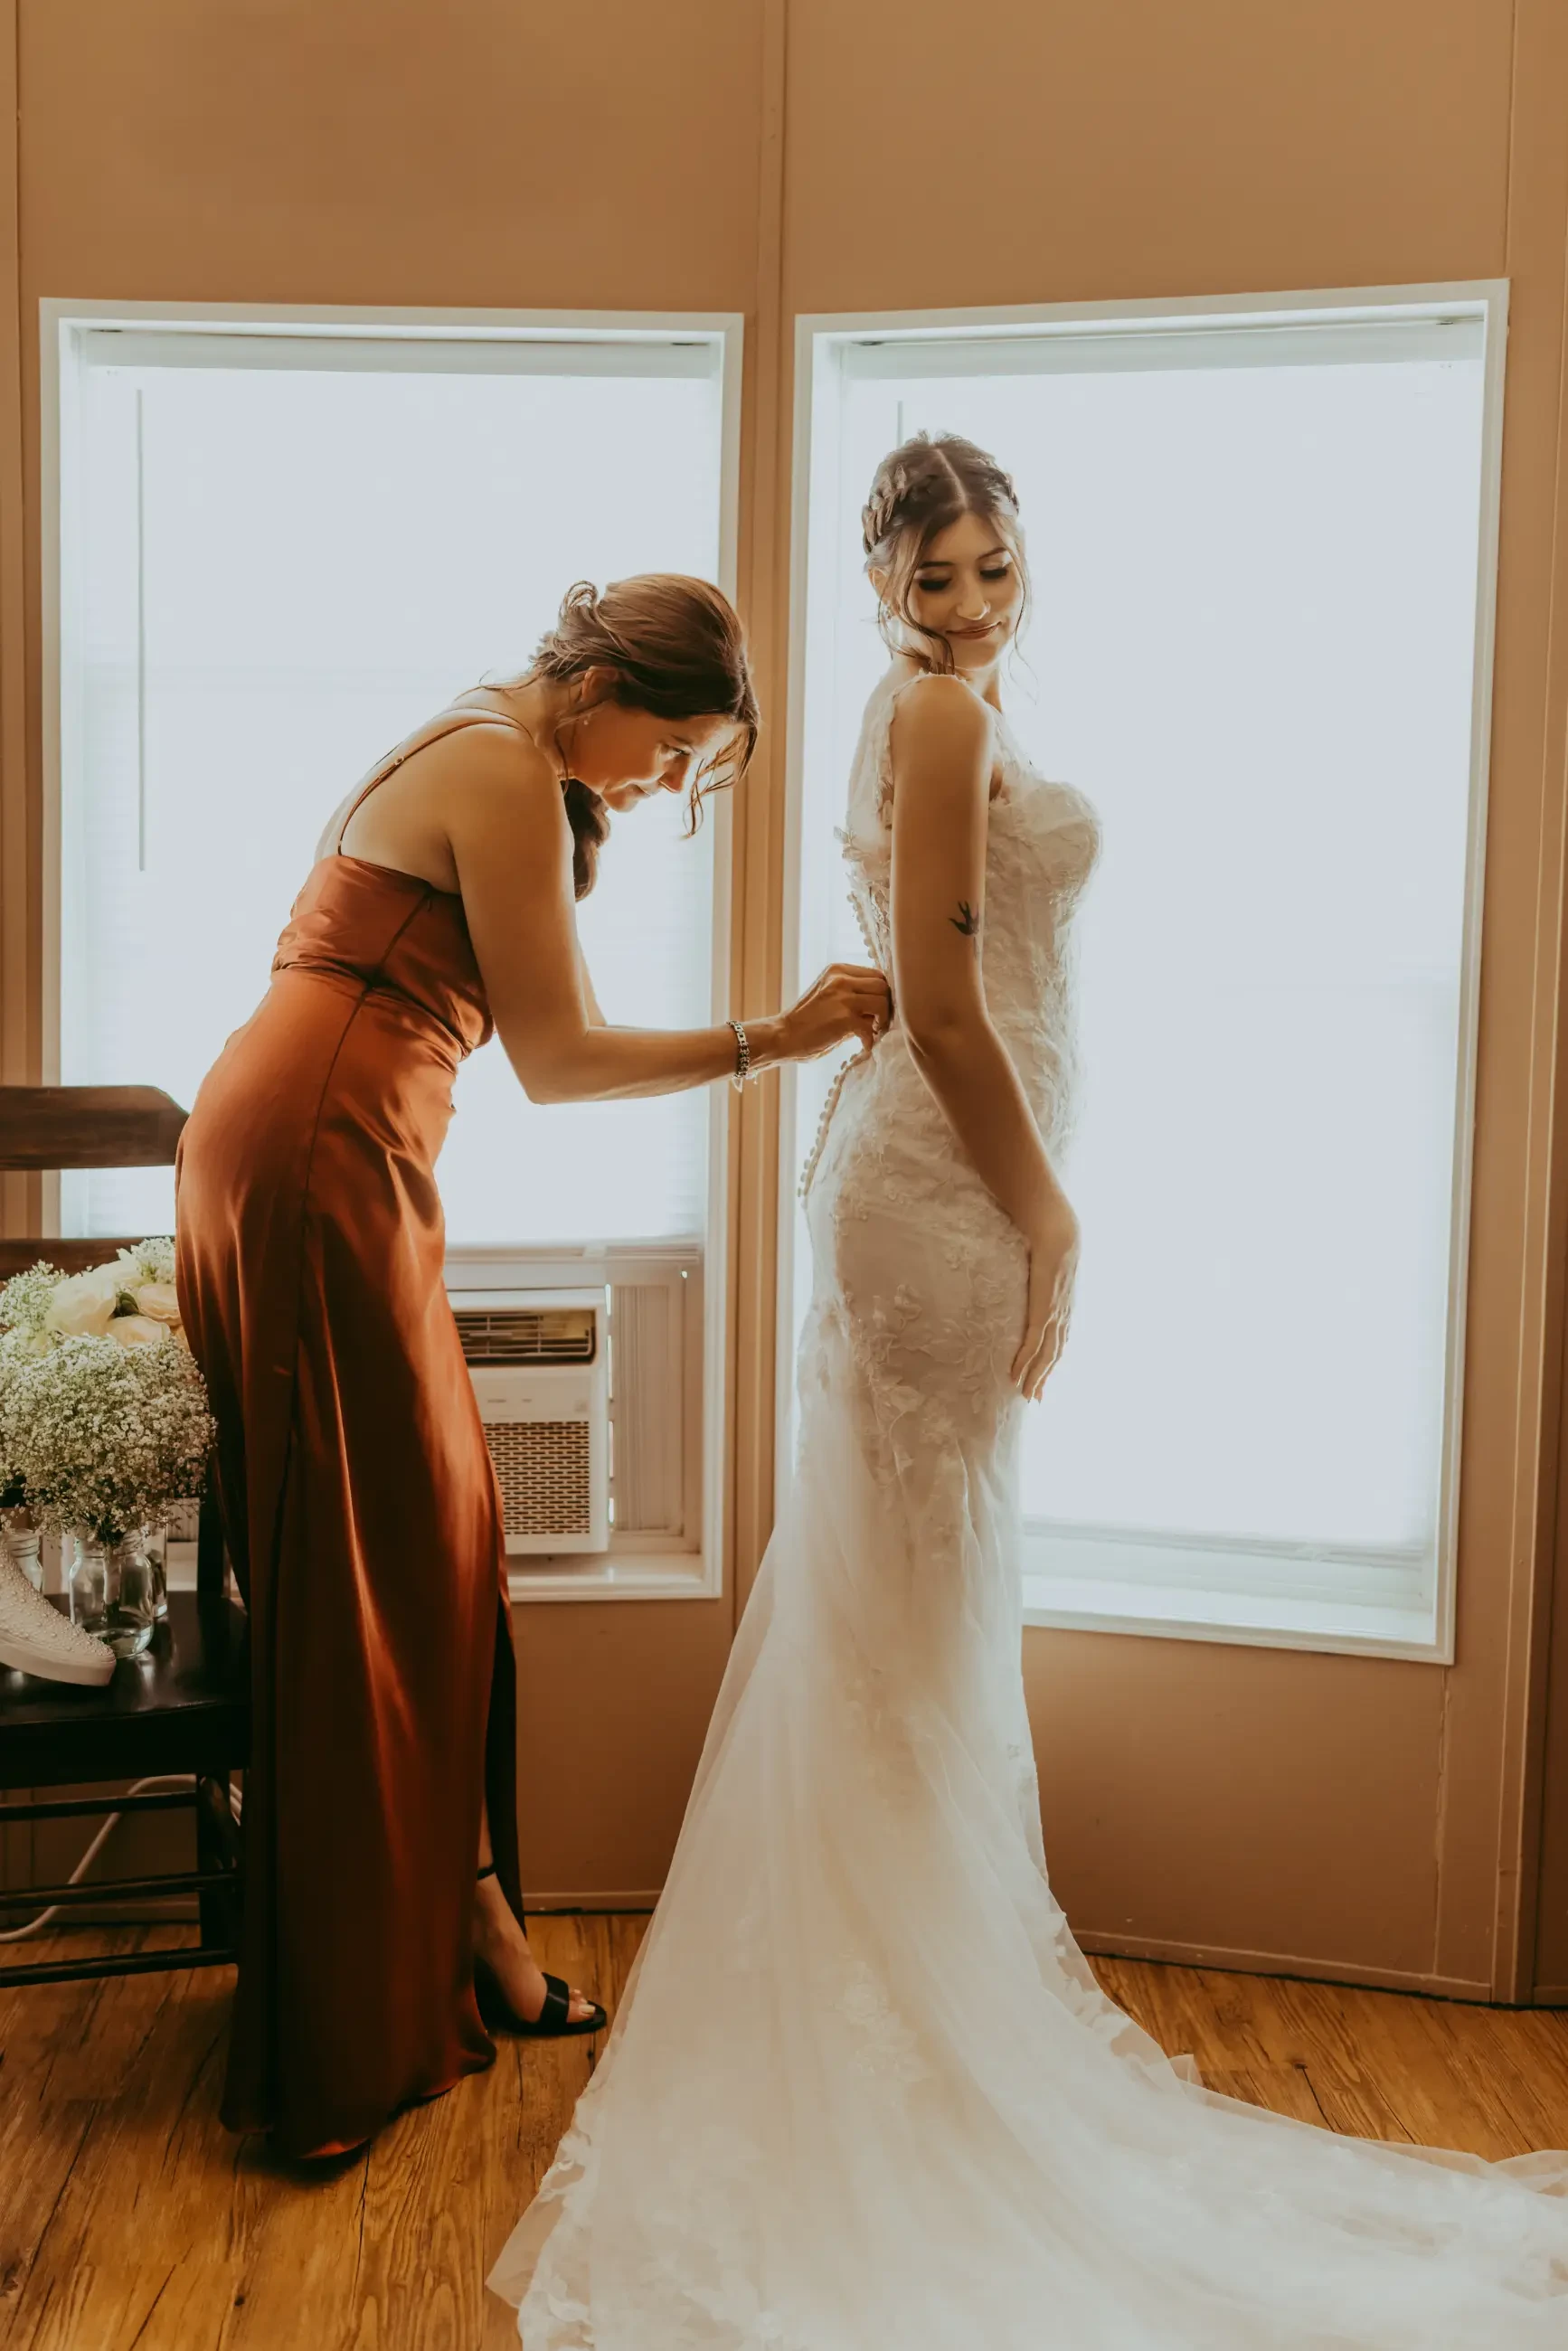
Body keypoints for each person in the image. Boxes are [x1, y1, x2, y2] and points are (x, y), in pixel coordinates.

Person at [488, 444, 1568, 2343]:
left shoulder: (957, 704)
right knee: (908, 1615)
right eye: (932, 577)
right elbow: (944, 996)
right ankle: (900, 2040)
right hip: (942, 1187)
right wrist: (1047, 1208)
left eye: (991, 568)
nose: (968, 602)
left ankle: (920, 1997)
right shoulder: (924, 714)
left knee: (917, 1616)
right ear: (881, 582)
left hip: (932, 1177)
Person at [174, 574, 890, 2162]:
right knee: (363, 1574)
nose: (660, 786)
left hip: (326, 1146)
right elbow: (559, 1062)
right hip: (316, 1155)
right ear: (606, 683)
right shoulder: (499, 763)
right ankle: (343, 2032)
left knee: (431, 1557)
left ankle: (469, 1927)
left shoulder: (495, 743)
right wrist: (767, 1041)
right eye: (671, 750)